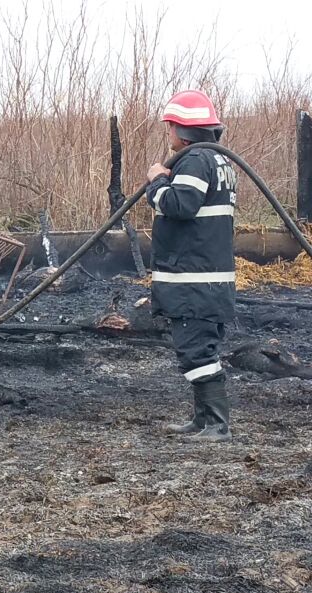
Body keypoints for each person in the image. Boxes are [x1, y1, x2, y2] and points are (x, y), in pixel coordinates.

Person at [146, 89, 237, 443]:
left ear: (182, 130)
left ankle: (216, 424)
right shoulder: (217, 161)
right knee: (199, 348)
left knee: (196, 351)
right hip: (207, 279)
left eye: (170, 127)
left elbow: (180, 205)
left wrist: (156, 179)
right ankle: (203, 420)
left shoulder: (196, 160)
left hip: (195, 281)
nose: (168, 133)